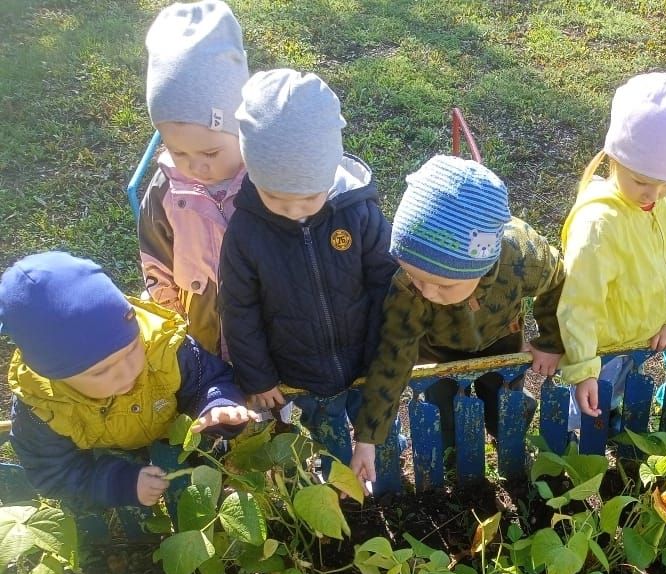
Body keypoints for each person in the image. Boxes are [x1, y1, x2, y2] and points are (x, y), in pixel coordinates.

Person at [349, 156, 565, 488]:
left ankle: (512, 452)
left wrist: (550, 341)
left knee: (503, 405)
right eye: (416, 277)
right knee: (442, 414)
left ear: (481, 264)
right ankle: (452, 469)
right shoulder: (409, 290)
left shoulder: (521, 255)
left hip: (500, 341)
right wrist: (368, 437)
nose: (428, 293)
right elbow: (393, 356)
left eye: (443, 284)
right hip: (437, 353)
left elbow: (558, 281)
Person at [219, 68, 397, 465]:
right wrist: (259, 375)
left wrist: (385, 353)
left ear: (329, 170)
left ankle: (386, 481)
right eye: (276, 198)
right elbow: (237, 308)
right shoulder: (246, 230)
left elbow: (386, 282)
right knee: (325, 437)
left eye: (308, 198)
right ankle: (336, 490)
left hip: (366, 360)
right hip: (300, 367)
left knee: (381, 434)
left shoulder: (357, 213)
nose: (293, 211)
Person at [2, 251, 254, 508]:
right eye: (101, 372)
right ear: (54, 375)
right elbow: (52, 474)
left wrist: (219, 404)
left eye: (132, 349)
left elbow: (209, 378)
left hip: (172, 428)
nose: (127, 371)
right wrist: (118, 484)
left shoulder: (164, 346)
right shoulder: (41, 408)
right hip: (109, 451)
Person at [557, 72, 666, 428]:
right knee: (584, 414)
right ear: (614, 158)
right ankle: (573, 448)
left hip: (639, 341)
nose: (652, 194)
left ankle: (610, 417)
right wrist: (583, 369)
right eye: (641, 181)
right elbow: (579, 301)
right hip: (601, 348)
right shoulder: (599, 225)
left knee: (614, 396)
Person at [139, 0, 249, 355]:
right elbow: (156, 262)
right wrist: (172, 325)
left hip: (264, 331)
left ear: (241, 128)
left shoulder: (265, 181)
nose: (195, 167)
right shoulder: (164, 191)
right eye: (179, 152)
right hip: (201, 329)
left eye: (211, 153)